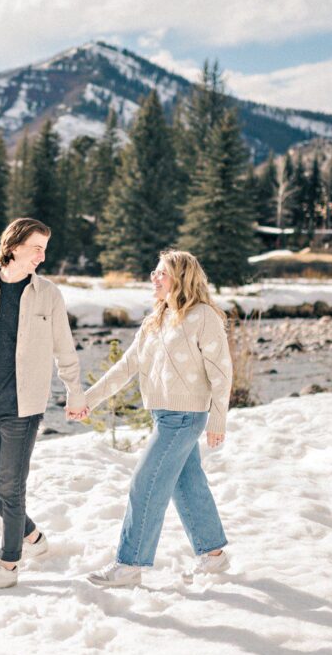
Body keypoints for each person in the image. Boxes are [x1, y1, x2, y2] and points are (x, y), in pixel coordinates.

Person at [81, 249, 233, 587]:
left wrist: (217, 421)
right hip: (163, 416)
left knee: (144, 483)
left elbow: (222, 374)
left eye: (161, 273)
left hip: (185, 417)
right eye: (154, 272)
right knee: (186, 484)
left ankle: (129, 564)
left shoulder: (205, 316)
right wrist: (87, 400)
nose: (154, 277)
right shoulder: (156, 319)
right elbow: (127, 366)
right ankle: (214, 556)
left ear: (180, 278)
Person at [0, 218, 87, 591]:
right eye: (36, 248)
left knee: (10, 487)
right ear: (13, 245)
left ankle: (9, 564)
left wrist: (74, 393)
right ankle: (32, 537)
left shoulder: (48, 294)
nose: (42, 257)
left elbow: (65, 348)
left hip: (25, 405)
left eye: (45, 249)